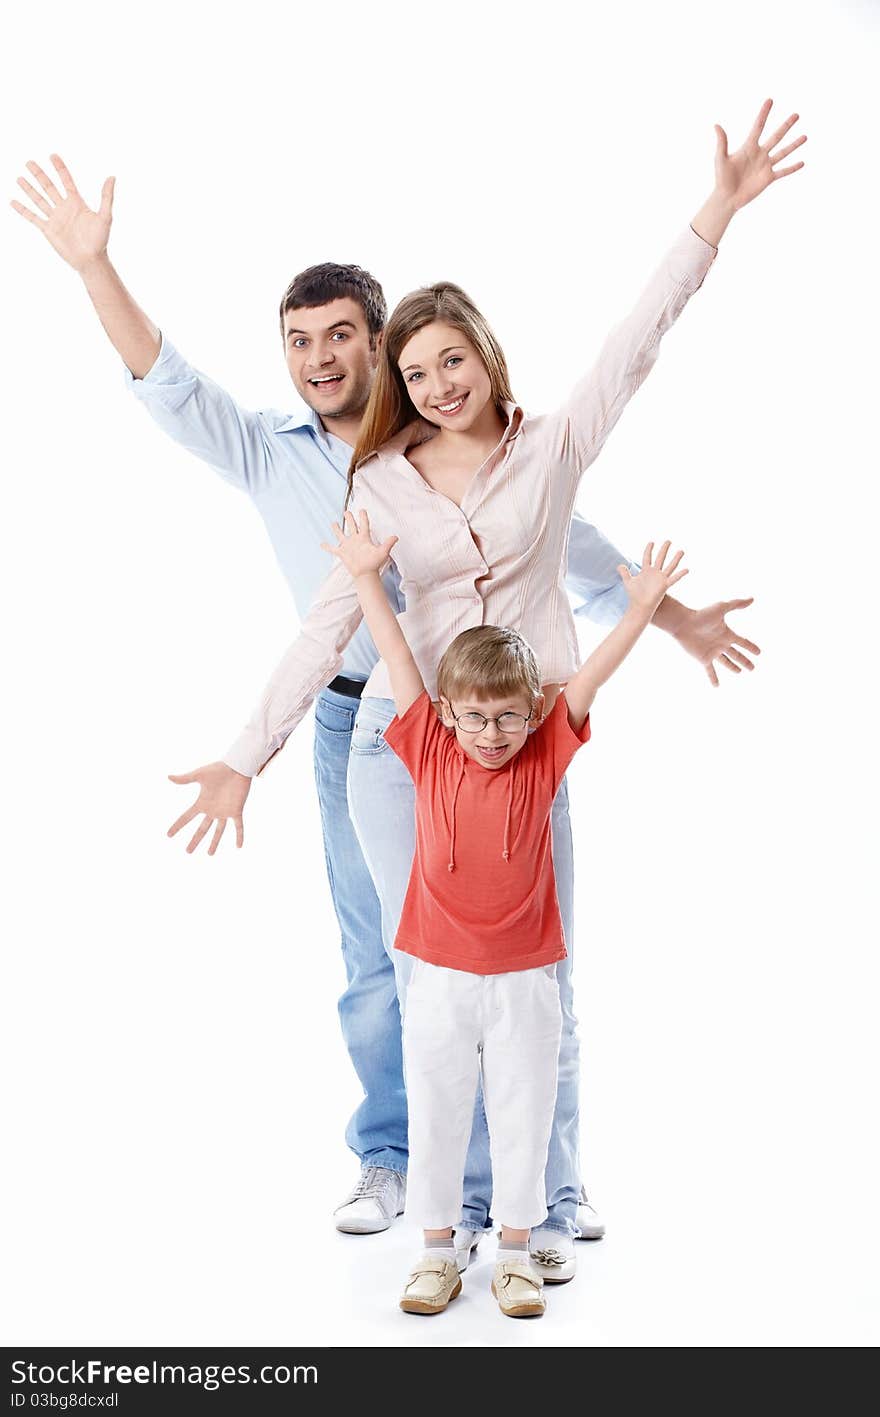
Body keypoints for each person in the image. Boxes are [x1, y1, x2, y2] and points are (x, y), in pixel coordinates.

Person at [165, 98, 803, 1279]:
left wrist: (715, 211)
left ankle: (549, 1201)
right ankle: (455, 1219)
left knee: (537, 970)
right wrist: (241, 754)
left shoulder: (552, 447)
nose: (437, 382)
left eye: (450, 359)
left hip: (521, 747)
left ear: (484, 357)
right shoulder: (383, 487)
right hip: (402, 755)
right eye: (414, 371)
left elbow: (636, 342)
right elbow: (327, 627)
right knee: (429, 978)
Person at [324, 509, 689, 1317]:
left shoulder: (546, 751)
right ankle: (438, 1250)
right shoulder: (425, 743)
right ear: (449, 713)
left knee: (524, 1105)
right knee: (441, 1102)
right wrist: (362, 577)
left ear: (533, 711)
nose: (491, 733)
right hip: (441, 977)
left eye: (507, 716)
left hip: (525, 976)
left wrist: (640, 608)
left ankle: (516, 1251)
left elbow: (591, 674)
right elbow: (394, 652)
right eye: (475, 716)